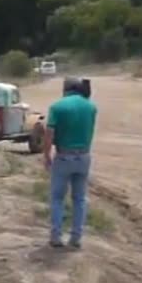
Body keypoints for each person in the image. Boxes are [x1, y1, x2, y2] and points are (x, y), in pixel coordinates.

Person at [43, 77, 97, 249]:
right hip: (84, 156)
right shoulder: (91, 107)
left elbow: (49, 133)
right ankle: (76, 238)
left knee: (58, 198)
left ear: (65, 89)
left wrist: (46, 155)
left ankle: (56, 236)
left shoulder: (57, 107)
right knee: (79, 199)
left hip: (64, 156)